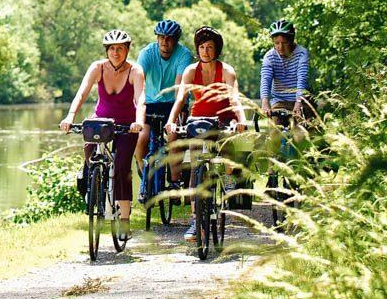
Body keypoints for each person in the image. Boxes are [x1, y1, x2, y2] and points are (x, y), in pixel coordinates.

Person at [163, 26, 247, 242]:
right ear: (197, 50)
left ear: (216, 49)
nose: (205, 51)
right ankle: (194, 220)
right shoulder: (191, 71)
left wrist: (241, 119)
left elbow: (234, 98)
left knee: (229, 147)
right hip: (198, 120)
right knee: (195, 169)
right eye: (201, 47)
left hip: (223, 118)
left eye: (210, 47)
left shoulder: (226, 71)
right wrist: (171, 121)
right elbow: (180, 99)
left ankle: (229, 176)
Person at [60, 30, 146, 224]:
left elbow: (141, 99)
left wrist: (138, 121)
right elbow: (82, 94)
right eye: (112, 49)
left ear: (127, 50)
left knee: (123, 167)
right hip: (101, 119)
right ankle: (90, 177)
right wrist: (70, 116)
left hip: (127, 124)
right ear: (107, 50)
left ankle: (124, 220)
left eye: (120, 49)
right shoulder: (97, 67)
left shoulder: (135, 70)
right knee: (89, 147)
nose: (116, 53)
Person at [135, 19, 193, 202]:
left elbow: (179, 86)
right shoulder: (147, 53)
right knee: (141, 137)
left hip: (173, 103)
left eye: (169, 39)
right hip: (149, 103)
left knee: (174, 136)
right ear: (157, 38)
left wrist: (178, 109)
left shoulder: (184, 54)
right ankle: (144, 174)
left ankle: (175, 181)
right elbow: (139, 82)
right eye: (161, 38)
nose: (164, 42)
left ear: (175, 40)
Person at [260, 19, 312, 128]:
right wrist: (265, 103)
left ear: (291, 41)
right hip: (280, 101)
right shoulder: (269, 57)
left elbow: (302, 79)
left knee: (302, 136)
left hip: (300, 100)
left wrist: (298, 103)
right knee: (275, 135)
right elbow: (265, 80)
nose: (280, 47)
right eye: (277, 43)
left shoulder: (302, 53)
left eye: (284, 43)